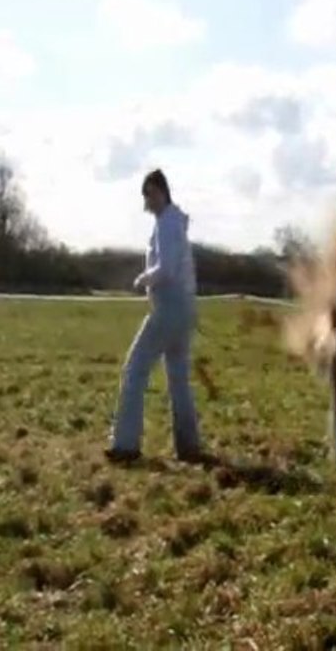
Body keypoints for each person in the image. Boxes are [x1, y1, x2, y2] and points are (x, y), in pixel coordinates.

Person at [107, 168, 203, 463]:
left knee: (134, 369)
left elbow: (167, 269)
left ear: (160, 191)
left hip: (169, 308)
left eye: (147, 194)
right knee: (178, 379)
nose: (145, 202)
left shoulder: (166, 223)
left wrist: (142, 279)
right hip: (185, 309)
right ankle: (188, 447)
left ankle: (125, 444)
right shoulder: (174, 222)